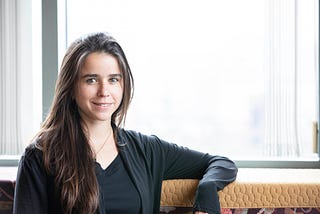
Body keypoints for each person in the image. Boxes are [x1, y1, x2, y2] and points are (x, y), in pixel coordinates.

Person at [13, 32, 237, 214]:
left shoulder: (147, 150)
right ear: (71, 88)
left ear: (123, 86)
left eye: (113, 80)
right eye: (91, 80)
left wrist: (207, 191)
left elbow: (220, 163)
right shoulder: (41, 156)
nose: (104, 91)